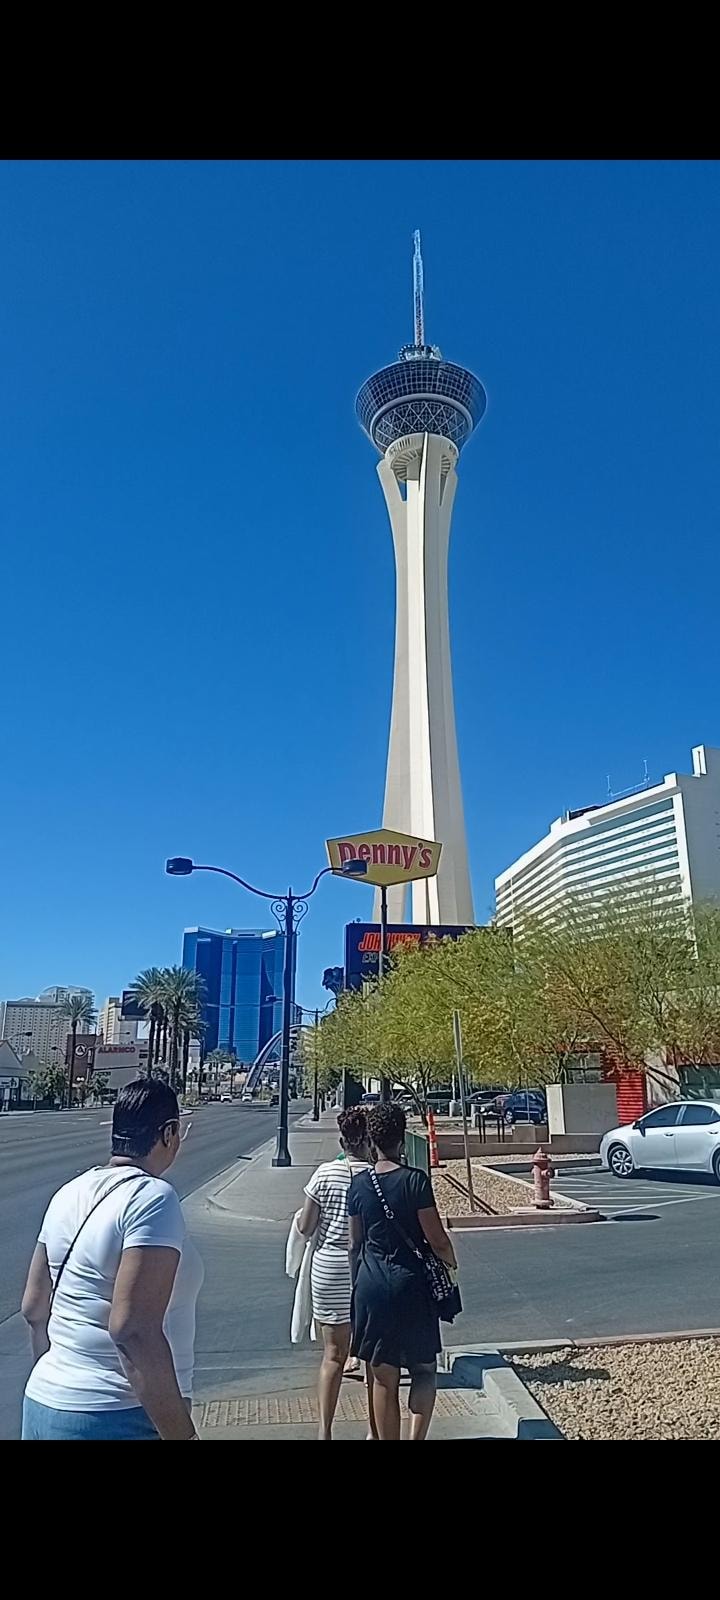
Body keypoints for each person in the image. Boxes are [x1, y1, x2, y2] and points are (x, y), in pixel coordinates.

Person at [20, 1077, 204, 1440]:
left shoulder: (67, 1194)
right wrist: (183, 1435)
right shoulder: (152, 1198)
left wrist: (62, 1381)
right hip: (115, 1414)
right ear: (169, 1133)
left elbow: (34, 1307)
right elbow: (132, 1329)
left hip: (43, 1402)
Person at [348, 1101, 458, 1440]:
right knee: (424, 1369)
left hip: (371, 1286)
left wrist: (357, 1284)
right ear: (401, 1138)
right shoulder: (415, 1182)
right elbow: (436, 1239)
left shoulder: (359, 1185)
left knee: (383, 1378)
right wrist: (451, 1264)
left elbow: (355, 1244)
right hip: (412, 1286)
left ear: (370, 1140)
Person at [296, 1105, 373, 1439]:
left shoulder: (324, 1174)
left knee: (333, 1356)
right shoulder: (374, 1176)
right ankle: (376, 1428)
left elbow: (306, 1226)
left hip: (328, 1268)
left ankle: (325, 1431)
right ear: (368, 1140)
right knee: (371, 1356)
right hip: (366, 1270)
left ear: (342, 1140)